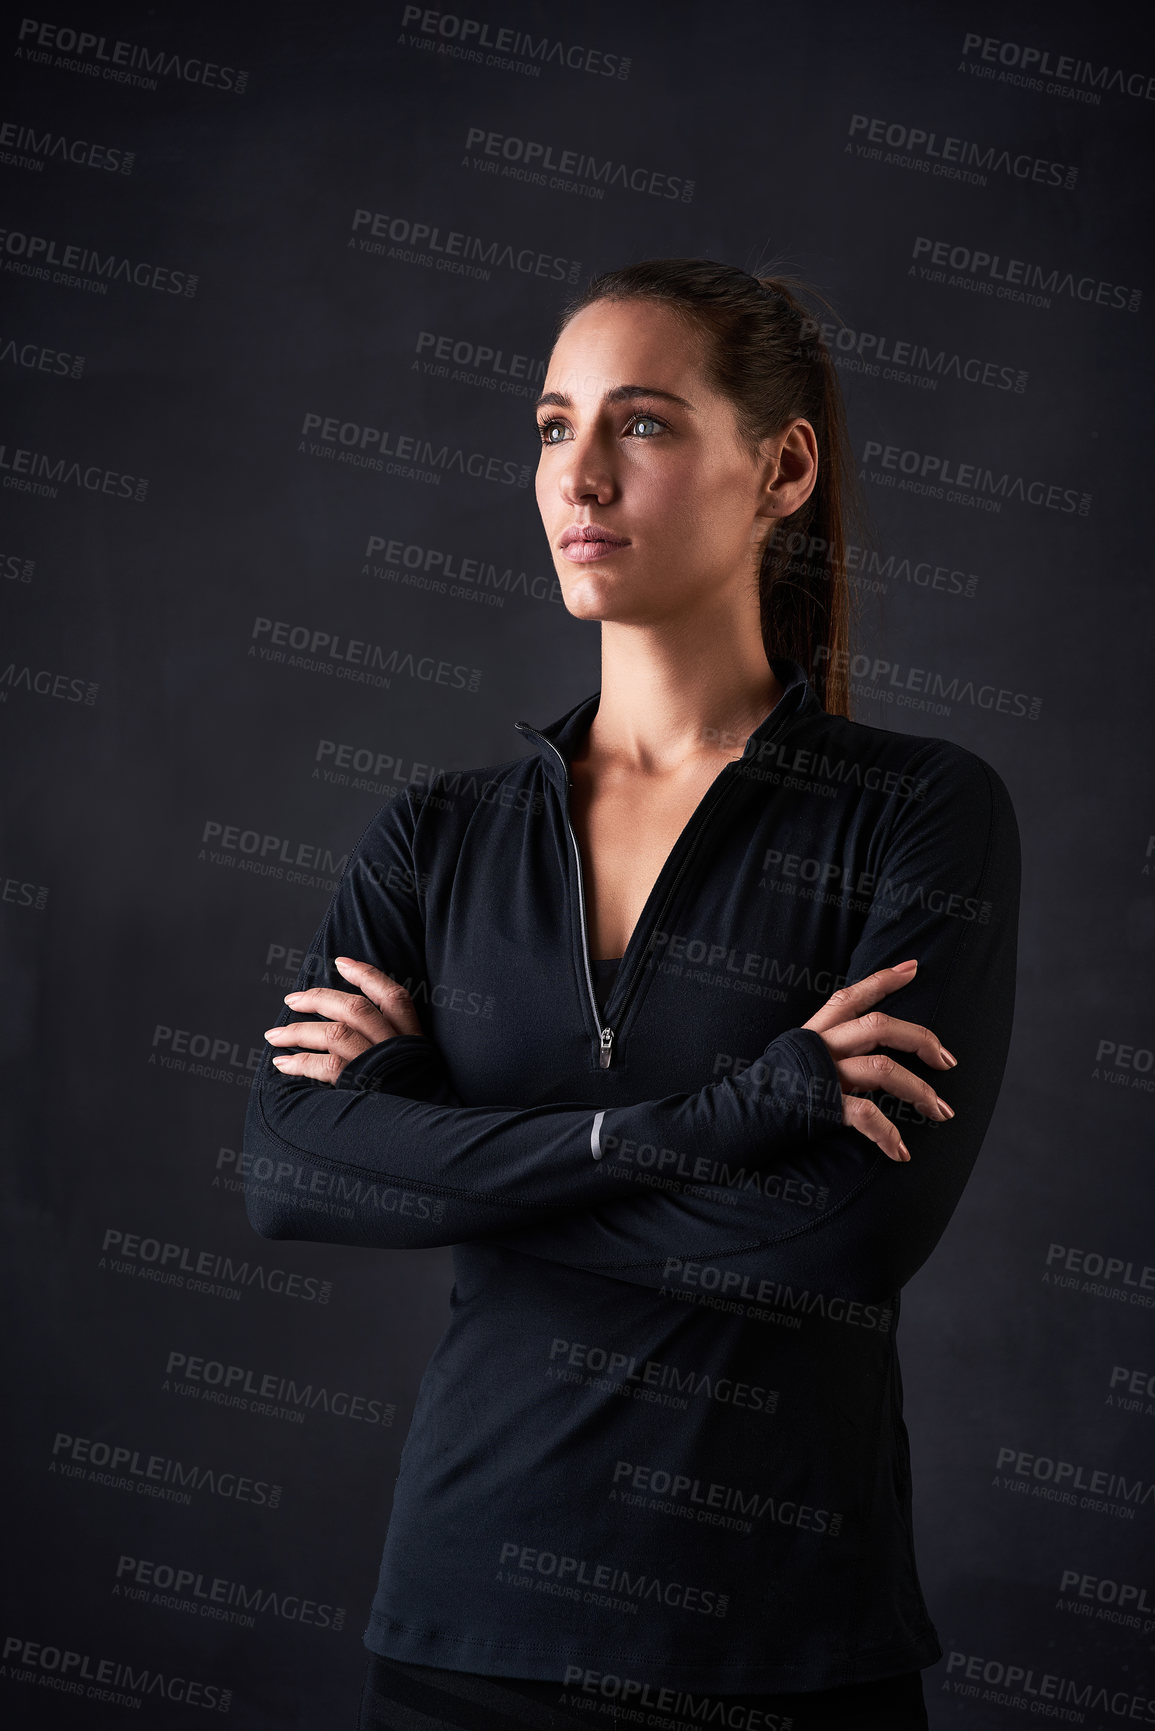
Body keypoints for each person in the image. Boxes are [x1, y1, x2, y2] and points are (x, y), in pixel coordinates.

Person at [242, 258, 1021, 1731]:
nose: (578, 474)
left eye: (644, 426)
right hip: (461, 1633)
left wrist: (427, 1133)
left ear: (782, 467)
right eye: (551, 426)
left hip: (784, 1656)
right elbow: (288, 1168)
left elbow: (839, 1237)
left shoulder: (922, 813)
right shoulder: (437, 832)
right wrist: (738, 1115)